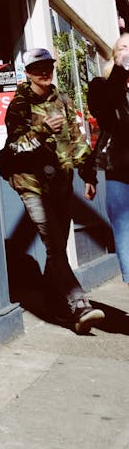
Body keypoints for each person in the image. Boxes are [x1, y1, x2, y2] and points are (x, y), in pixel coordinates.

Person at [3, 47, 104, 334]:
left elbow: (77, 139)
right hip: (31, 184)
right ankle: (79, 303)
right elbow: (15, 146)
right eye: (38, 68)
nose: (44, 72)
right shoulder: (19, 104)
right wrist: (43, 130)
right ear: (28, 73)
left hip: (61, 182)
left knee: (56, 247)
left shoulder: (63, 100)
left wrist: (88, 173)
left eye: (48, 66)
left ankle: (54, 304)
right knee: (54, 245)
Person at [84, 33, 129, 285]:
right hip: (121, 172)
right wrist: (122, 73)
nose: (127, 52)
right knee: (126, 235)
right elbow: (103, 113)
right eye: (122, 48)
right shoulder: (102, 86)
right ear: (114, 56)